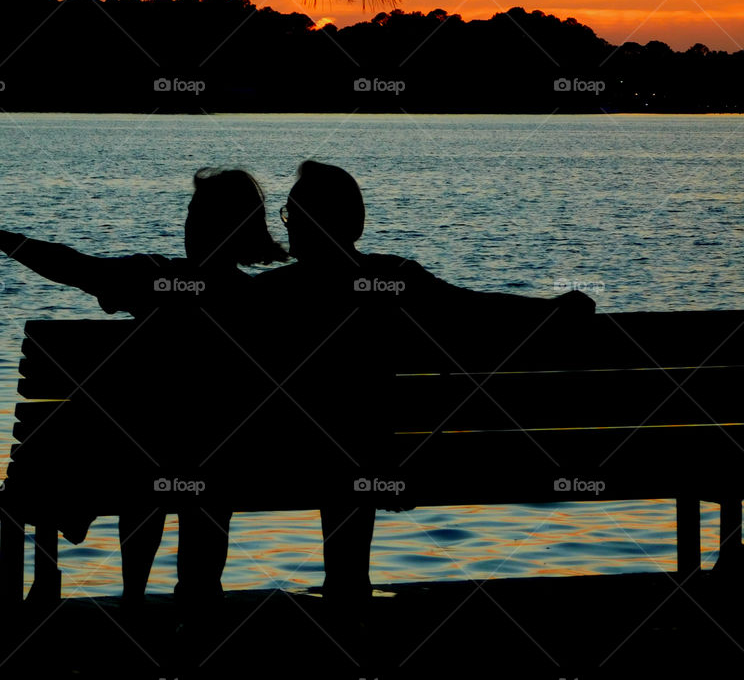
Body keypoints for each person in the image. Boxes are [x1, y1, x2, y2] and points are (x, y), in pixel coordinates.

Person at [253, 161, 595, 613]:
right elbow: (475, 314)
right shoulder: (394, 279)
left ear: (311, 222)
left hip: (276, 460)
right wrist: (554, 311)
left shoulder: (268, 294)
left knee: (335, 436)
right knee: (355, 432)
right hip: (380, 456)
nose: (288, 224)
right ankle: (349, 595)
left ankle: (339, 596)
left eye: (292, 213)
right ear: (351, 222)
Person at [0, 168, 288, 614]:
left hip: (136, 460)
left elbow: (72, 267)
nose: (187, 225)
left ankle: (128, 597)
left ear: (208, 226)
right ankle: (200, 591)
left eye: (194, 214)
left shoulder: (153, 280)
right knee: (199, 459)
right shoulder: (261, 300)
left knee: (142, 449)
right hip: (239, 461)